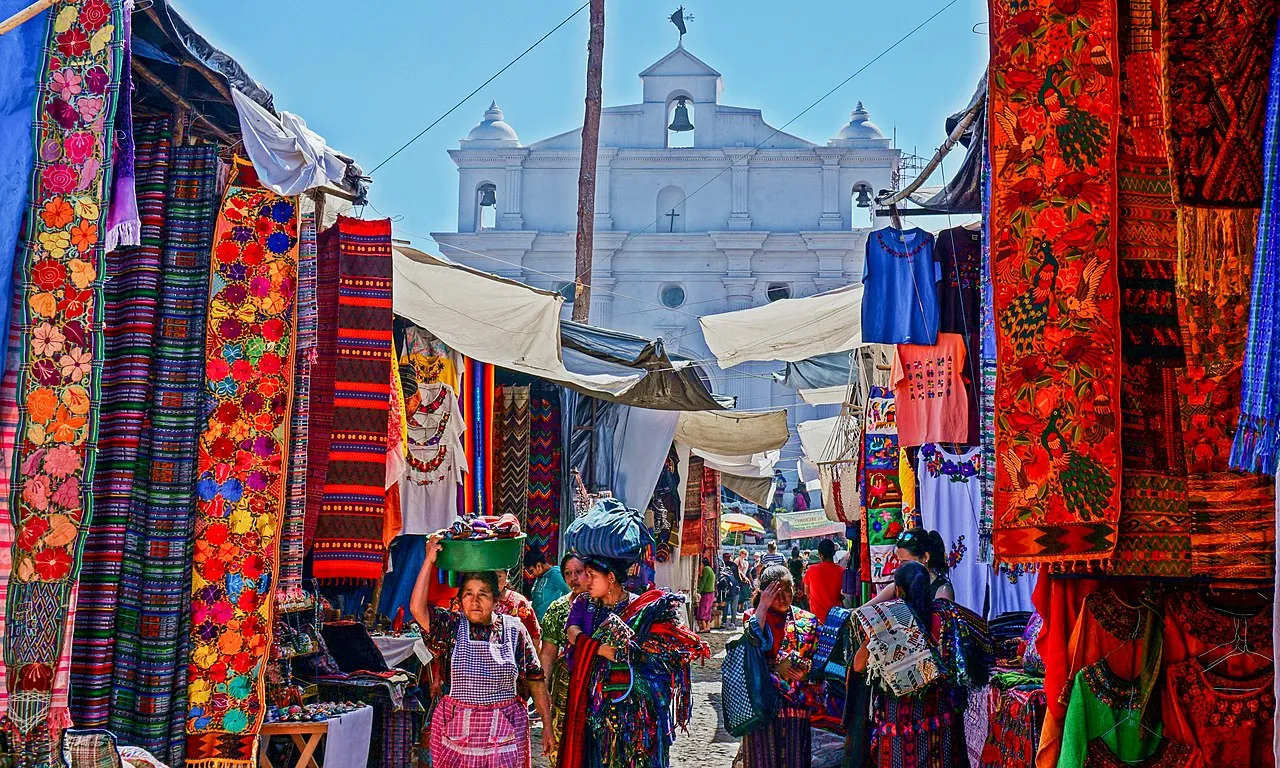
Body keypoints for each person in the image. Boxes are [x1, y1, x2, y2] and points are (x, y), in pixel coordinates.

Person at [410, 535, 555, 766]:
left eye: (483, 594)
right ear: (460, 599)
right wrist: (429, 560)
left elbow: (536, 679)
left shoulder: (514, 630)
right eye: (468, 594)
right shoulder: (452, 626)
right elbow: (417, 609)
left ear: (496, 599)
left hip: (504, 729)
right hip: (460, 730)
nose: (475, 601)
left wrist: (547, 724)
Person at [559, 554, 708, 768]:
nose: (586, 581)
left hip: (636, 714)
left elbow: (661, 655)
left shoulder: (642, 608)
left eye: (592, 576)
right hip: (595, 707)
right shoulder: (585, 603)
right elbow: (572, 631)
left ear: (610, 578)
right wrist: (599, 649)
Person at [852, 561, 984, 768]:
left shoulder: (886, 621)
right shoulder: (948, 615)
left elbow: (859, 666)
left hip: (900, 721)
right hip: (941, 715)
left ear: (898, 590)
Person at [740, 565, 821, 768]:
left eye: (788, 590)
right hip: (762, 704)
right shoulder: (753, 617)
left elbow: (819, 663)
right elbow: (752, 646)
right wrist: (763, 606)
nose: (783, 598)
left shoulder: (808, 620)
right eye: (776, 592)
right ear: (765, 593)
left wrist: (805, 673)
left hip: (795, 705)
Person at [539, 553, 587, 766]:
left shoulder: (601, 606)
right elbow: (548, 654)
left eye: (578, 572)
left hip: (592, 689)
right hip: (564, 689)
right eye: (568, 573)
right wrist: (544, 691)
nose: (573, 578)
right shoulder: (557, 610)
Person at [867, 527, 954, 605]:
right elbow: (861, 612)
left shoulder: (943, 590)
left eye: (905, 561)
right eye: (899, 561)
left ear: (925, 557)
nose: (900, 566)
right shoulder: (897, 587)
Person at [802, 538, 846, 623]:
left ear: (820, 555)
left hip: (817, 619)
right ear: (833, 553)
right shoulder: (842, 571)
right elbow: (843, 594)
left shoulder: (811, 570)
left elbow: (806, 592)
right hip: (835, 618)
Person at [527, 548, 570, 620]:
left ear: (538, 566)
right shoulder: (540, 577)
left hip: (550, 622)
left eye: (531, 571)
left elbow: (570, 591)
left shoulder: (555, 574)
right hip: (538, 622)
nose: (531, 574)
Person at [718, 552, 745, 629]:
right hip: (733, 589)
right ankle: (727, 621)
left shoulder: (730, 567)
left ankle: (728, 621)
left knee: (730, 607)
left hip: (734, 590)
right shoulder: (730, 566)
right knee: (730, 607)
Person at [696, 556, 718, 632]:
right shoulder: (711, 570)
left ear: (702, 564)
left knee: (703, 610)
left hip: (707, 593)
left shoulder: (706, 569)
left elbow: (703, 582)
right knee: (708, 610)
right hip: (711, 593)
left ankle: (704, 628)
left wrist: (698, 591)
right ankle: (708, 627)